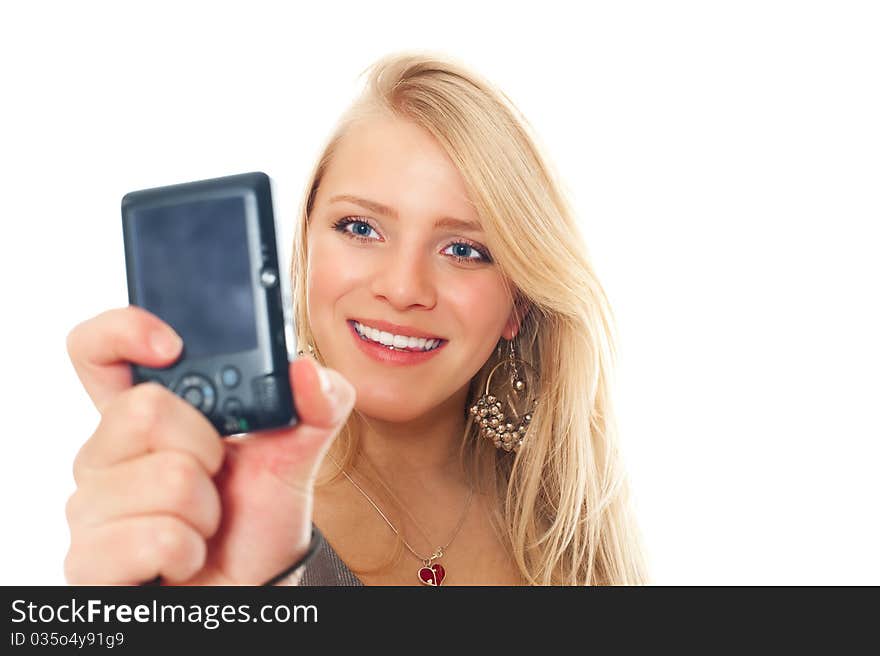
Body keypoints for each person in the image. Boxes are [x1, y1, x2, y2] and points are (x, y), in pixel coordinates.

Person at [64, 52, 648, 586]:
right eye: (360, 228)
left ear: (517, 304)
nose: (401, 289)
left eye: (465, 250)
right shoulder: (216, 521)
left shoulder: (572, 519)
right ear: (305, 249)